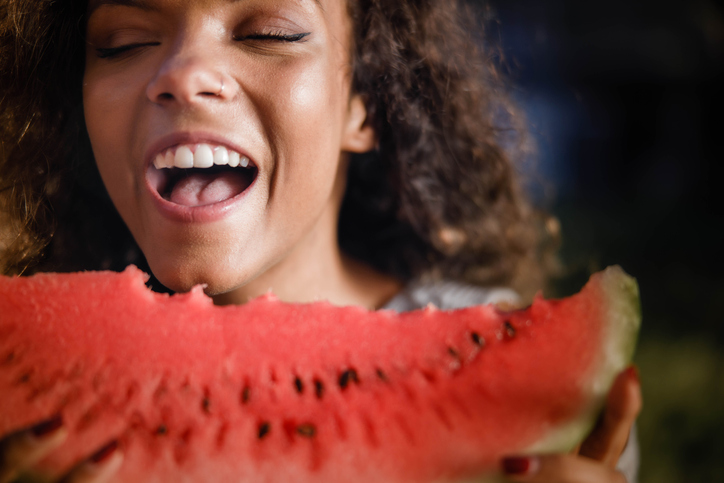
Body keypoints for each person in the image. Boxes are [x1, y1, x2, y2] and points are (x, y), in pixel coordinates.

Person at [0, 0, 642, 481]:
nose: (184, 73)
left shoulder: (525, 411)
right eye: (124, 42)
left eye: (270, 34)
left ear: (363, 103)